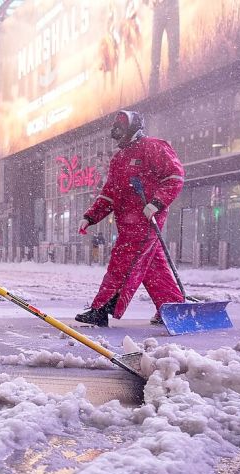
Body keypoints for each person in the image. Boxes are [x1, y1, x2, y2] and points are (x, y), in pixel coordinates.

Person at [75, 110, 185, 327]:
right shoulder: (119, 159)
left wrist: (156, 203)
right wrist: (91, 216)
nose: (117, 134)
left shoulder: (154, 147)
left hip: (145, 219)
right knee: (152, 266)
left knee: (124, 261)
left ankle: (102, 308)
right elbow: (109, 194)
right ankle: (172, 307)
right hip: (126, 222)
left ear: (134, 128)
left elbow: (175, 176)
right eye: (115, 129)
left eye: (121, 128)